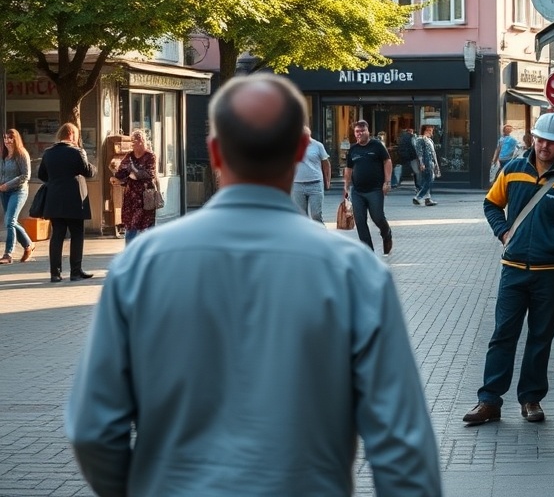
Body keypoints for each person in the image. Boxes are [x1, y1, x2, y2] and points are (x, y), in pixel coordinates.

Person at [65, 74, 442, 497]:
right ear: (301, 151)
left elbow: (93, 427)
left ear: (214, 152)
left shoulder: (141, 266)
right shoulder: (355, 274)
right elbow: (402, 447)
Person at [463, 112, 554, 426]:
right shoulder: (513, 170)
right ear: (532, 138)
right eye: (540, 139)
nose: (544, 146)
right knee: (502, 335)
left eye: (550, 141)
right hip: (513, 268)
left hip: (550, 271)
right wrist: (503, 231)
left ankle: (531, 399)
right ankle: (489, 401)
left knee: (540, 336)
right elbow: (491, 203)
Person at [38, 122, 97, 283]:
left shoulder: (48, 153)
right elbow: (88, 171)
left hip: (54, 199)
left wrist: (56, 179)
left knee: (57, 235)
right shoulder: (77, 152)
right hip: (74, 199)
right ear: (71, 134)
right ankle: (75, 272)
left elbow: (42, 174)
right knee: (77, 234)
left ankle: (55, 273)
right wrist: (92, 165)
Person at [344, 119, 394, 255]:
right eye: (357, 131)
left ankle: (387, 233)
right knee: (360, 222)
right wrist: (346, 187)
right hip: (357, 191)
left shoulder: (377, 146)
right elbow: (348, 168)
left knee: (377, 217)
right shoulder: (353, 149)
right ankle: (369, 252)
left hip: (375, 190)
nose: (359, 134)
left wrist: (387, 182)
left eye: (362, 131)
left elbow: (387, 161)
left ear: (368, 131)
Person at [112, 129, 158, 244]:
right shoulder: (129, 156)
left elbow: (149, 174)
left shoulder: (150, 156)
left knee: (147, 225)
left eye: (134, 141)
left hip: (146, 196)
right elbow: (121, 173)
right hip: (131, 198)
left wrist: (132, 173)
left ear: (141, 141)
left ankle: (149, 252)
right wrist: (115, 174)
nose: (132, 144)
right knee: (131, 225)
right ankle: (129, 253)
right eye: (131, 142)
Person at [0, 129, 34, 263]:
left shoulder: (21, 154)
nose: (7, 141)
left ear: (16, 139)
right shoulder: (3, 155)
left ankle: (8, 255)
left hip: (18, 191)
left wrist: (7, 184)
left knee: (9, 221)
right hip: (4, 192)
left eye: (10, 138)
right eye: (5, 138)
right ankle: (28, 245)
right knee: (11, 221)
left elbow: (26, 176)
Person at [291, 126, 330, 222]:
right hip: (298, 184)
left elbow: (326, 164)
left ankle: (321, 235)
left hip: (315, 183)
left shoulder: (318, 146)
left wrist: (327, 181)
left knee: (316, 214)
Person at [412, 124, 439, 207]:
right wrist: (421, 163)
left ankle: (427, 199)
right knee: (429, 180)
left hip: (431, 162)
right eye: (429, 130)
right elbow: (419, 152)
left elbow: (433, 153)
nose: (431, 132)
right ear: (424, 131)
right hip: (426, 163)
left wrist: (436, 165)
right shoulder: (420, 139)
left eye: (431, 131)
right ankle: (418, 197)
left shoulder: (429, 140)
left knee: (427, 180)